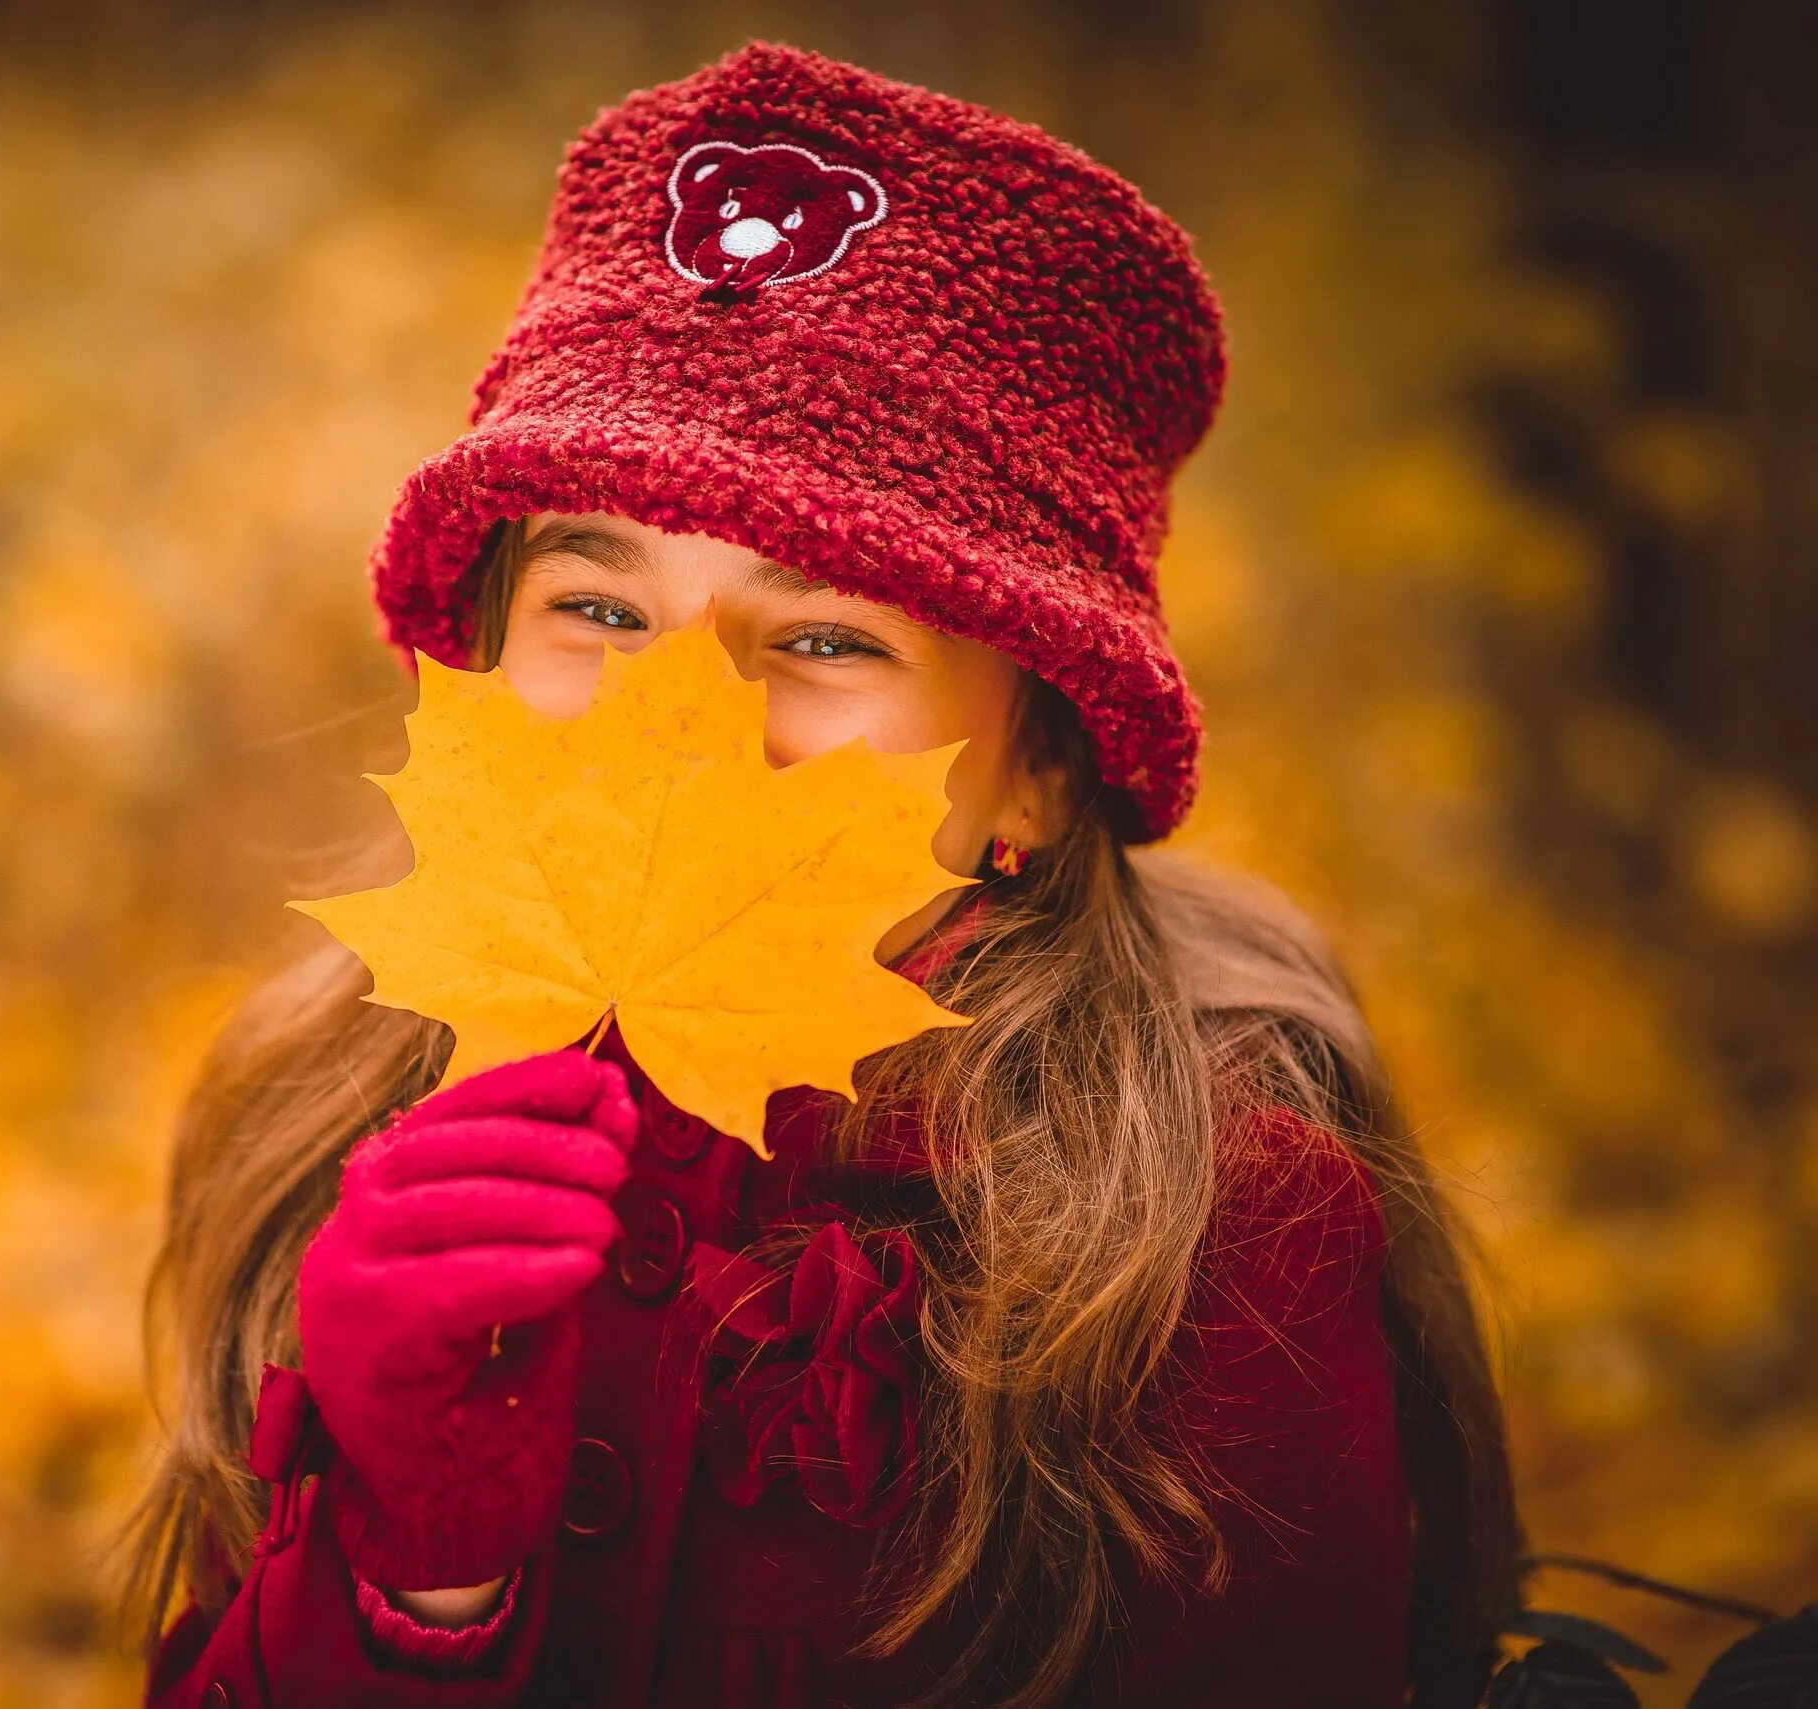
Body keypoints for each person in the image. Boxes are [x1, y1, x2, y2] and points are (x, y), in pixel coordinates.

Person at [108, 38, 1522, 1709]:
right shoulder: (322, 1106)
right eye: (601, 607)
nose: (676, 715)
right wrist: (418, 1569)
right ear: (478, 659)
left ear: (1042, 774)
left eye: (828, 635)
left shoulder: (1206, 1237)